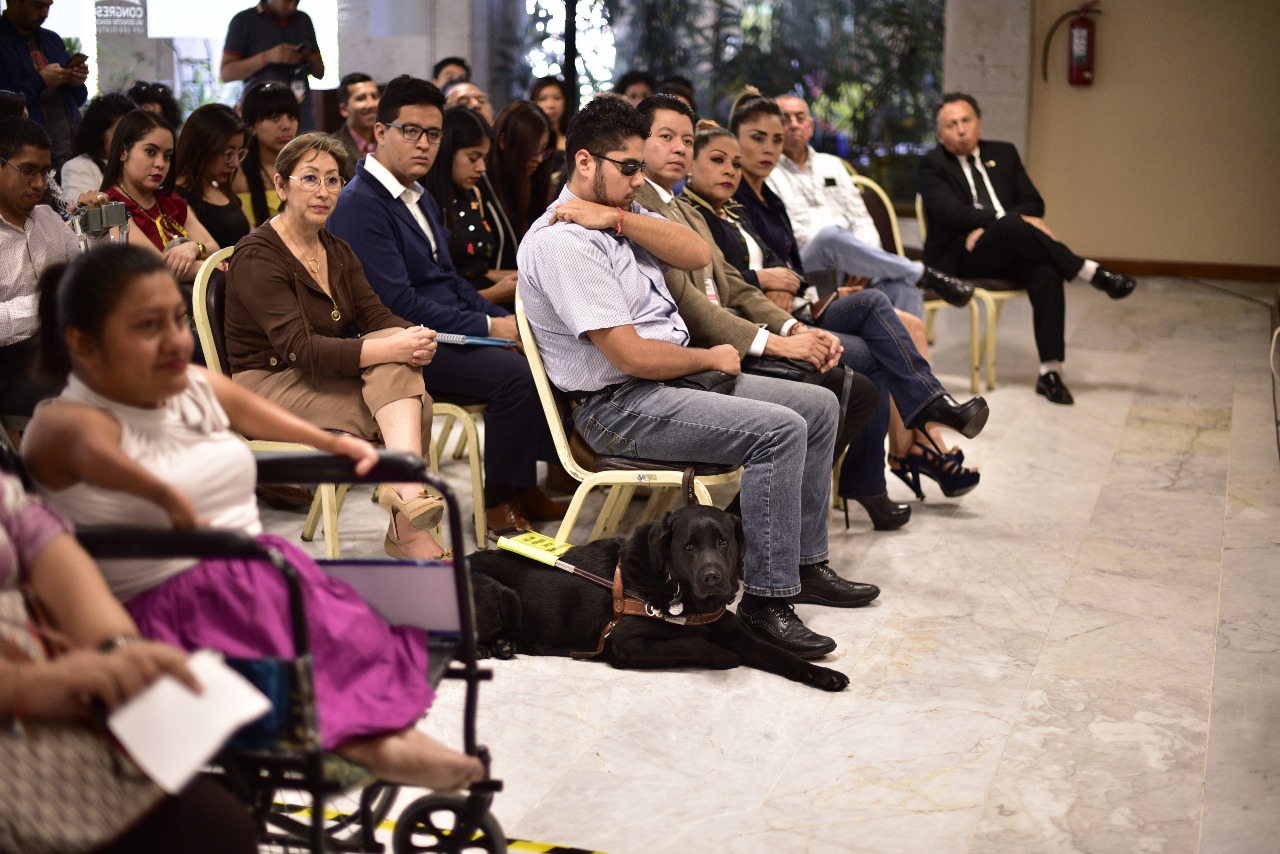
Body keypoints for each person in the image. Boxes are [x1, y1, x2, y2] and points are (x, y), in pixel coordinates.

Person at [22, 242, 486, 792]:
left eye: (177, 318)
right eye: (149, 327)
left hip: (252, 571)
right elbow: (96, 452)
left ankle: (371, 734)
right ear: (83, 342)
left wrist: (336, 448)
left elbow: (257, 414)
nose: (176, 339)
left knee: (339, 626)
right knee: (290, 620)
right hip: (165, 606)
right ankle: (366, 742)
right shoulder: (64, 419)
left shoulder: (187, 384)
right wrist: (165, 497)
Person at [520, 94, 882, 659]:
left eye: (642, 166)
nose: (640, 179)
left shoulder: (616, 216)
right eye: (629, 167)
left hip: (665, 386)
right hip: (618, 407)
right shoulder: (563, 242)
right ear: (585, 162)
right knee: (781, 430)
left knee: (820, 406)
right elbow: (631, 357)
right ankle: (764, 601)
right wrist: (709, 358)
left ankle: (803, 564)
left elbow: (693, 254)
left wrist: (619, 216)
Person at [684, 118, 986, 517]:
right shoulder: (696, 214)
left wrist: (807, 291)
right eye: (720, 159)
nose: (731, 170)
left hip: (793, 307)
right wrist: (772, 286)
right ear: (690, 163)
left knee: (878, 299)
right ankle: (894, 455)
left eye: (734, 163)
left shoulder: (740, 210)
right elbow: (727, 285)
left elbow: (785, 269)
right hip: (756, 327)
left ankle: (924, 417)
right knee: (877, 352)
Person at [328, 75, 567, 534]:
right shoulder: (361, 204)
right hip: (398, 344)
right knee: (516, 378)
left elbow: (449, 280)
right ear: (380, 133)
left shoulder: (417, 195)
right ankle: (497, 506)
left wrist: (503, 320)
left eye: (433, 134)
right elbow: (395, 303)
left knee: (543, 347)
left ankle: (522, 487)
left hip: (440, 330)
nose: (424, 144)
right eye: (411, 131)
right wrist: (488, 328)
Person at [0, 468, 260, 854]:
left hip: (44, 716)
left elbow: (37, 539)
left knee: (214, 826)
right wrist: (26, 686)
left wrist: (117, 646)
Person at [225, 133, 447, 559]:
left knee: (399, 370)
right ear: (280, 185)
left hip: (316, 375)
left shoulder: (337, 249)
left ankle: (405, 499)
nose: (324, 191)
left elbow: (376, 316)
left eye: (333, 180)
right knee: (408, 396)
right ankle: (409, 522)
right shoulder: (257, 255)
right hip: (263, 386)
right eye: (309, 178)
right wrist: (391, 349)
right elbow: (301, 350)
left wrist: (412, 339)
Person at [918, 92, 1136, 405]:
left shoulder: (1004, 153)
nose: (961, 129)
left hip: (1008, 249)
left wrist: (996, 225)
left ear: (979, 124)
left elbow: (1035, 203)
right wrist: (1002, 221)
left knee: (1046, 271)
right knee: (1013, 223)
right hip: (961, 257)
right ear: (940, 135)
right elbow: (951, 214)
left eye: (966, 120)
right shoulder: (931, 165)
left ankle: (1050, 372)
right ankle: (1089, 271)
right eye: (951, 125)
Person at [758, 91, 972, 315]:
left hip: (853, 264)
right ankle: (922, 273)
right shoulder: (767, 172)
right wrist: (848, 256)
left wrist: (861, 263)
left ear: (811, 126)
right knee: (829, 237)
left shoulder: (832, 165)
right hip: (805, 267)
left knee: (902, 287)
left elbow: (860, 218)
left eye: (800, 118)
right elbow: (789, 236)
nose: (793, 125)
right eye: (785, 119)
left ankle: (910, 349)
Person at [1, 117, 113, 419]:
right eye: (27, 171)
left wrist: (97, 232)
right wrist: (52, 304)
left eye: (44, 171)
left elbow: (89, 280)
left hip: (65, 351)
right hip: (10, 368)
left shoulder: (48, 218)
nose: (39, 183)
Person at [102, 109, 218, 285]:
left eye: (167, 156)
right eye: (150, 152)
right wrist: (217, 268)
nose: (160, 164)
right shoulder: (110, 205)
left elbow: (214, 247)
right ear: (123, 151)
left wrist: (195, 247)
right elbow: (158, 269)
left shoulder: (169, 198)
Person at [422, 106, 517, 306]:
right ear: (447, 152)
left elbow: (476, 269)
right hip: (456, 310)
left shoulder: (472, 194)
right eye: (473, 158)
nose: (481, 168)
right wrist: (492, 294)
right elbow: (433, 291)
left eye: (484, 158)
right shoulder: (424, 200)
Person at [0, 0, 87, 168]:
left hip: (72, 152)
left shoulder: (52, 40)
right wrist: (39, 82)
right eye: (38, 6)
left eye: (49, 6)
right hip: (24, 158)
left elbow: (77, 100)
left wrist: (76, 82)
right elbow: (4, 103)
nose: (45, 13)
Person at [220, 0, 324, 132]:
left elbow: (320, 72)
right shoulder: (244, 20)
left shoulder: (303, 19)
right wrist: (267, 57)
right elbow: (226, 73)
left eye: (297, 1)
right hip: (262, 116)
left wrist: (306, 57)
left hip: (301, 115)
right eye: (287, 1)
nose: (292, 6)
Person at [174, 103, 253, 250]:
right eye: (228, 154)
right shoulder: (175, 199)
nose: (235, 164)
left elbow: (254, 236)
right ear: (203, 148)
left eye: (239, 153)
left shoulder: (224, 191)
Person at [231, 79, 299, 226]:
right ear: (251, 123)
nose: (286, 125)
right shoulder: (237, 176)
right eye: (275, 118)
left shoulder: (305, 169)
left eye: (292, 117)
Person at [486, 99, 553, 239]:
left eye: (543, 150)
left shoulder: (536, 184)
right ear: (503, 141)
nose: (539, 159)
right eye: (533, 151)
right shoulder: (484, 187)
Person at [61, 92, 135, 199]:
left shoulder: (138, 164)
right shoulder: (78, 167)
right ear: (98, 133)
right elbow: (80, 212)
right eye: (119, 133)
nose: (126, 141)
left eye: (132, 134)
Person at [331, 71, 378, 180]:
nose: (371, 104)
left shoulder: (389, 139)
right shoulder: (333, 148)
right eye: (361, 98)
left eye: (374, 96)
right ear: (344, 109)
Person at [530, 74, 569, 179]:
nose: (551, 105)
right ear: (534, 102)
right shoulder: (528, 140)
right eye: (543, 99)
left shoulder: (574, 141)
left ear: (565, 102)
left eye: (557, 98)